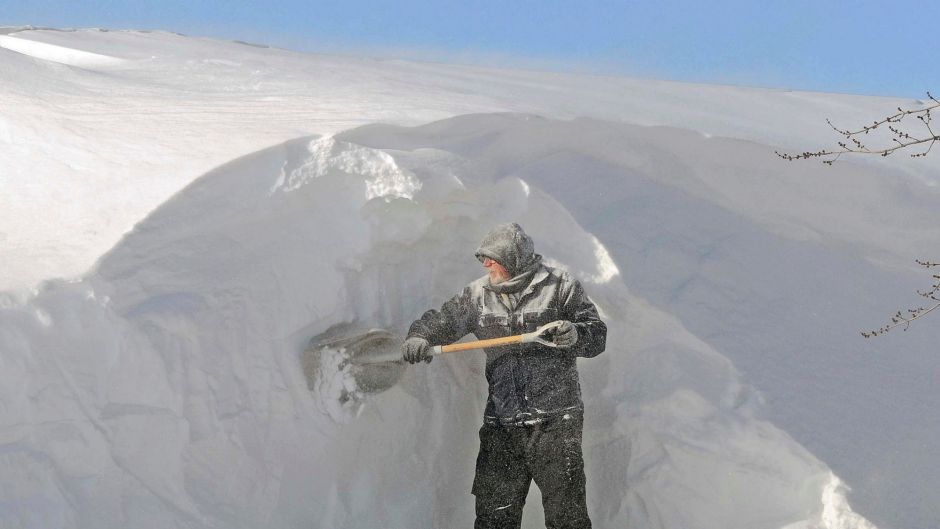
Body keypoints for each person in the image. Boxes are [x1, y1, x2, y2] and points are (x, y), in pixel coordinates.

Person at [402, 223, 607, 529]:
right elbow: (443, 320)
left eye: (492, 259)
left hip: (555, 420)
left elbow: (597, 335)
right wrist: (420, 336)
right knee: (494, 517)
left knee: (567, 518)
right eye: (482, 258)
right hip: (502, 423)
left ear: (513, 260)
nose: (486, 265)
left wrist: (576, 334)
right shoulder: (477, 295)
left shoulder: (560, 286)